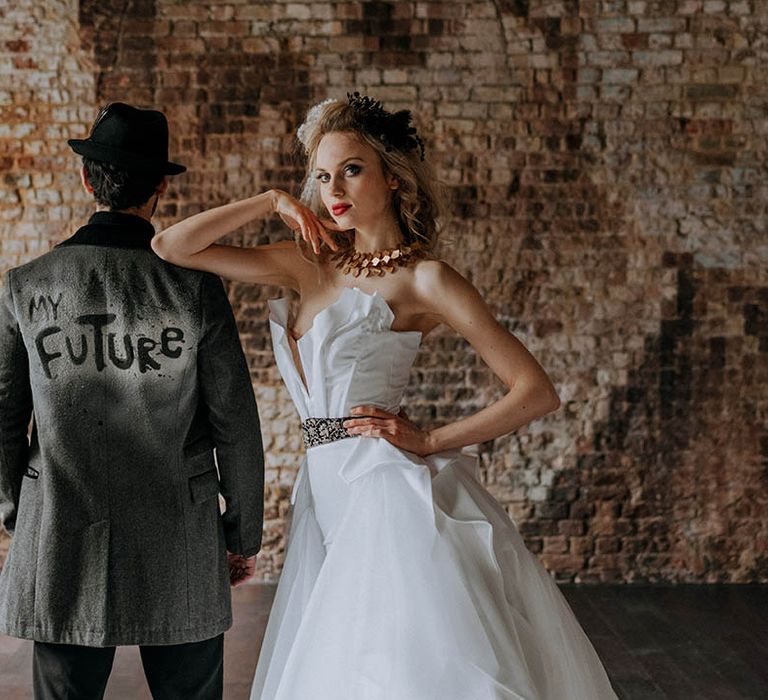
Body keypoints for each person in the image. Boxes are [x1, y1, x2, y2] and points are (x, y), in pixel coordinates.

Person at [152, 92, 618, 699]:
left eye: (350, 169)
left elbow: (535, 392)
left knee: (392, 661)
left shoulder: (427, 279)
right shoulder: (307, 263)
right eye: (321, 175)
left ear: (393, 178)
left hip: (382, 485)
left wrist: (428, 441)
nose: (332, 189)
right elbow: (172, 246)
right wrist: (272, 201)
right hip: (323, 487)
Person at [0, 102, 264, 700]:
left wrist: (20, 511)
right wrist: (242, 535)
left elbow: (4, 418)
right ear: (159, 189)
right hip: (181, 539)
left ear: (88, 177)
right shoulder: (196, 288)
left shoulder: (27, 284)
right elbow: (237, 425)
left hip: (61, 529)